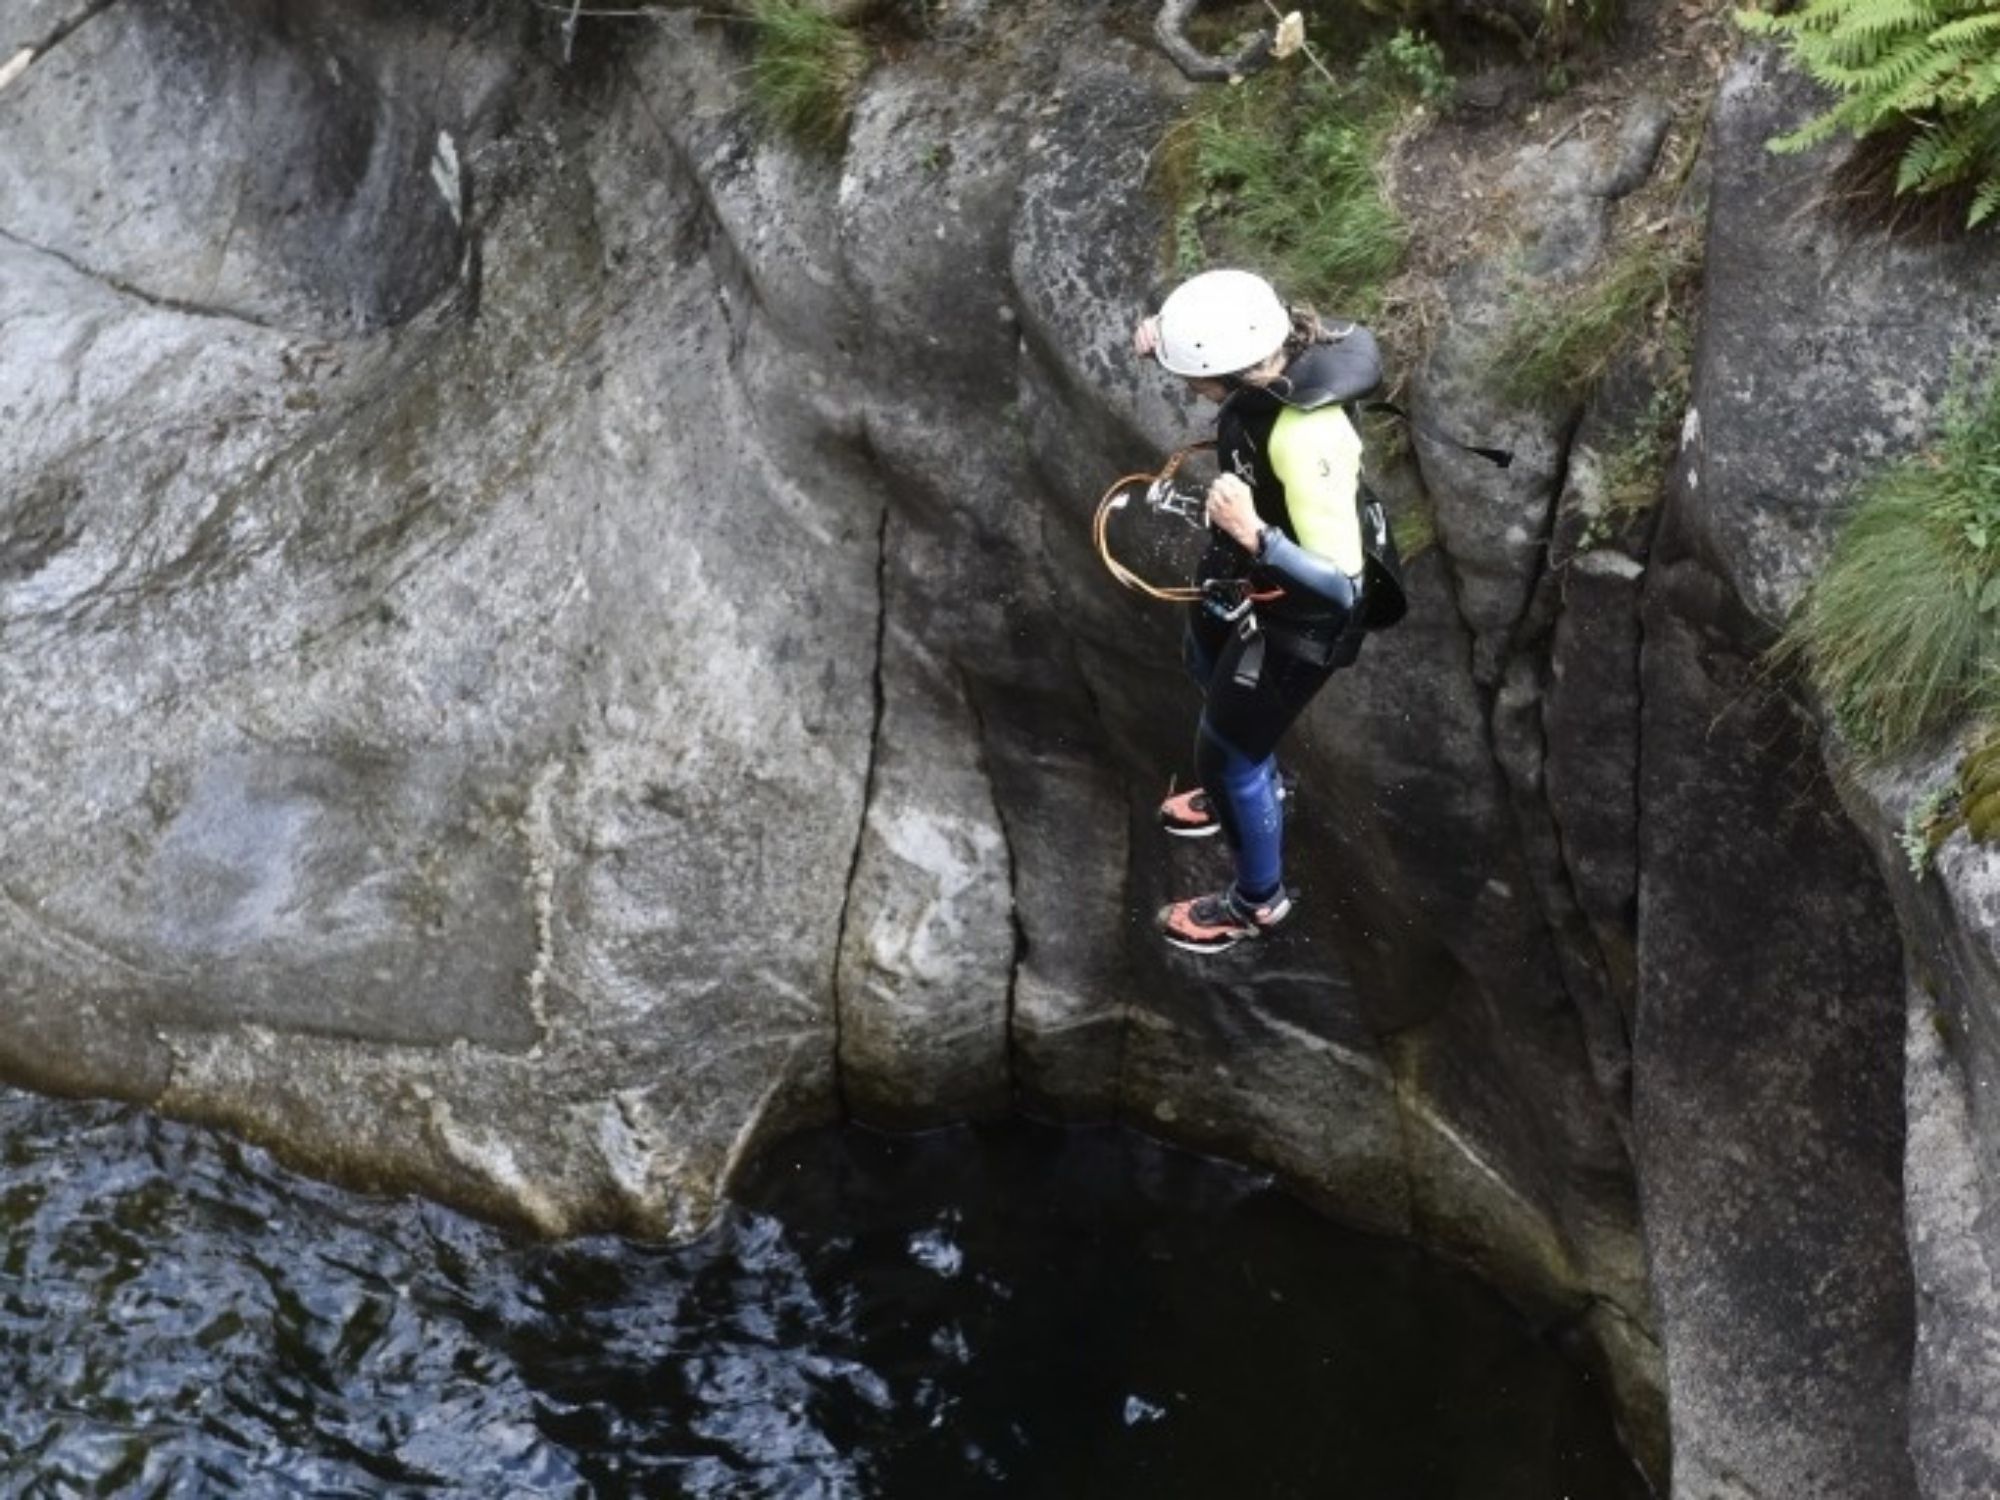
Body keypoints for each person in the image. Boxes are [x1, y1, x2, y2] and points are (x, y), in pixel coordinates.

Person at [1133, 268, 1375, 955]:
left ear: (1232, 372)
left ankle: (1256, 902)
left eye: (1191, 378)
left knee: (1226, 757)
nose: (1187, 391)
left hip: (1303, 617)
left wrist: (1256, 536)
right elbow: (1224, 329)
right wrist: (1168, 339)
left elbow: (1341, 589)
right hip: (1251, 577)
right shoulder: (1273, 359)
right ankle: (1256, 791)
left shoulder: (1306, 436)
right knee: (1199, 655)